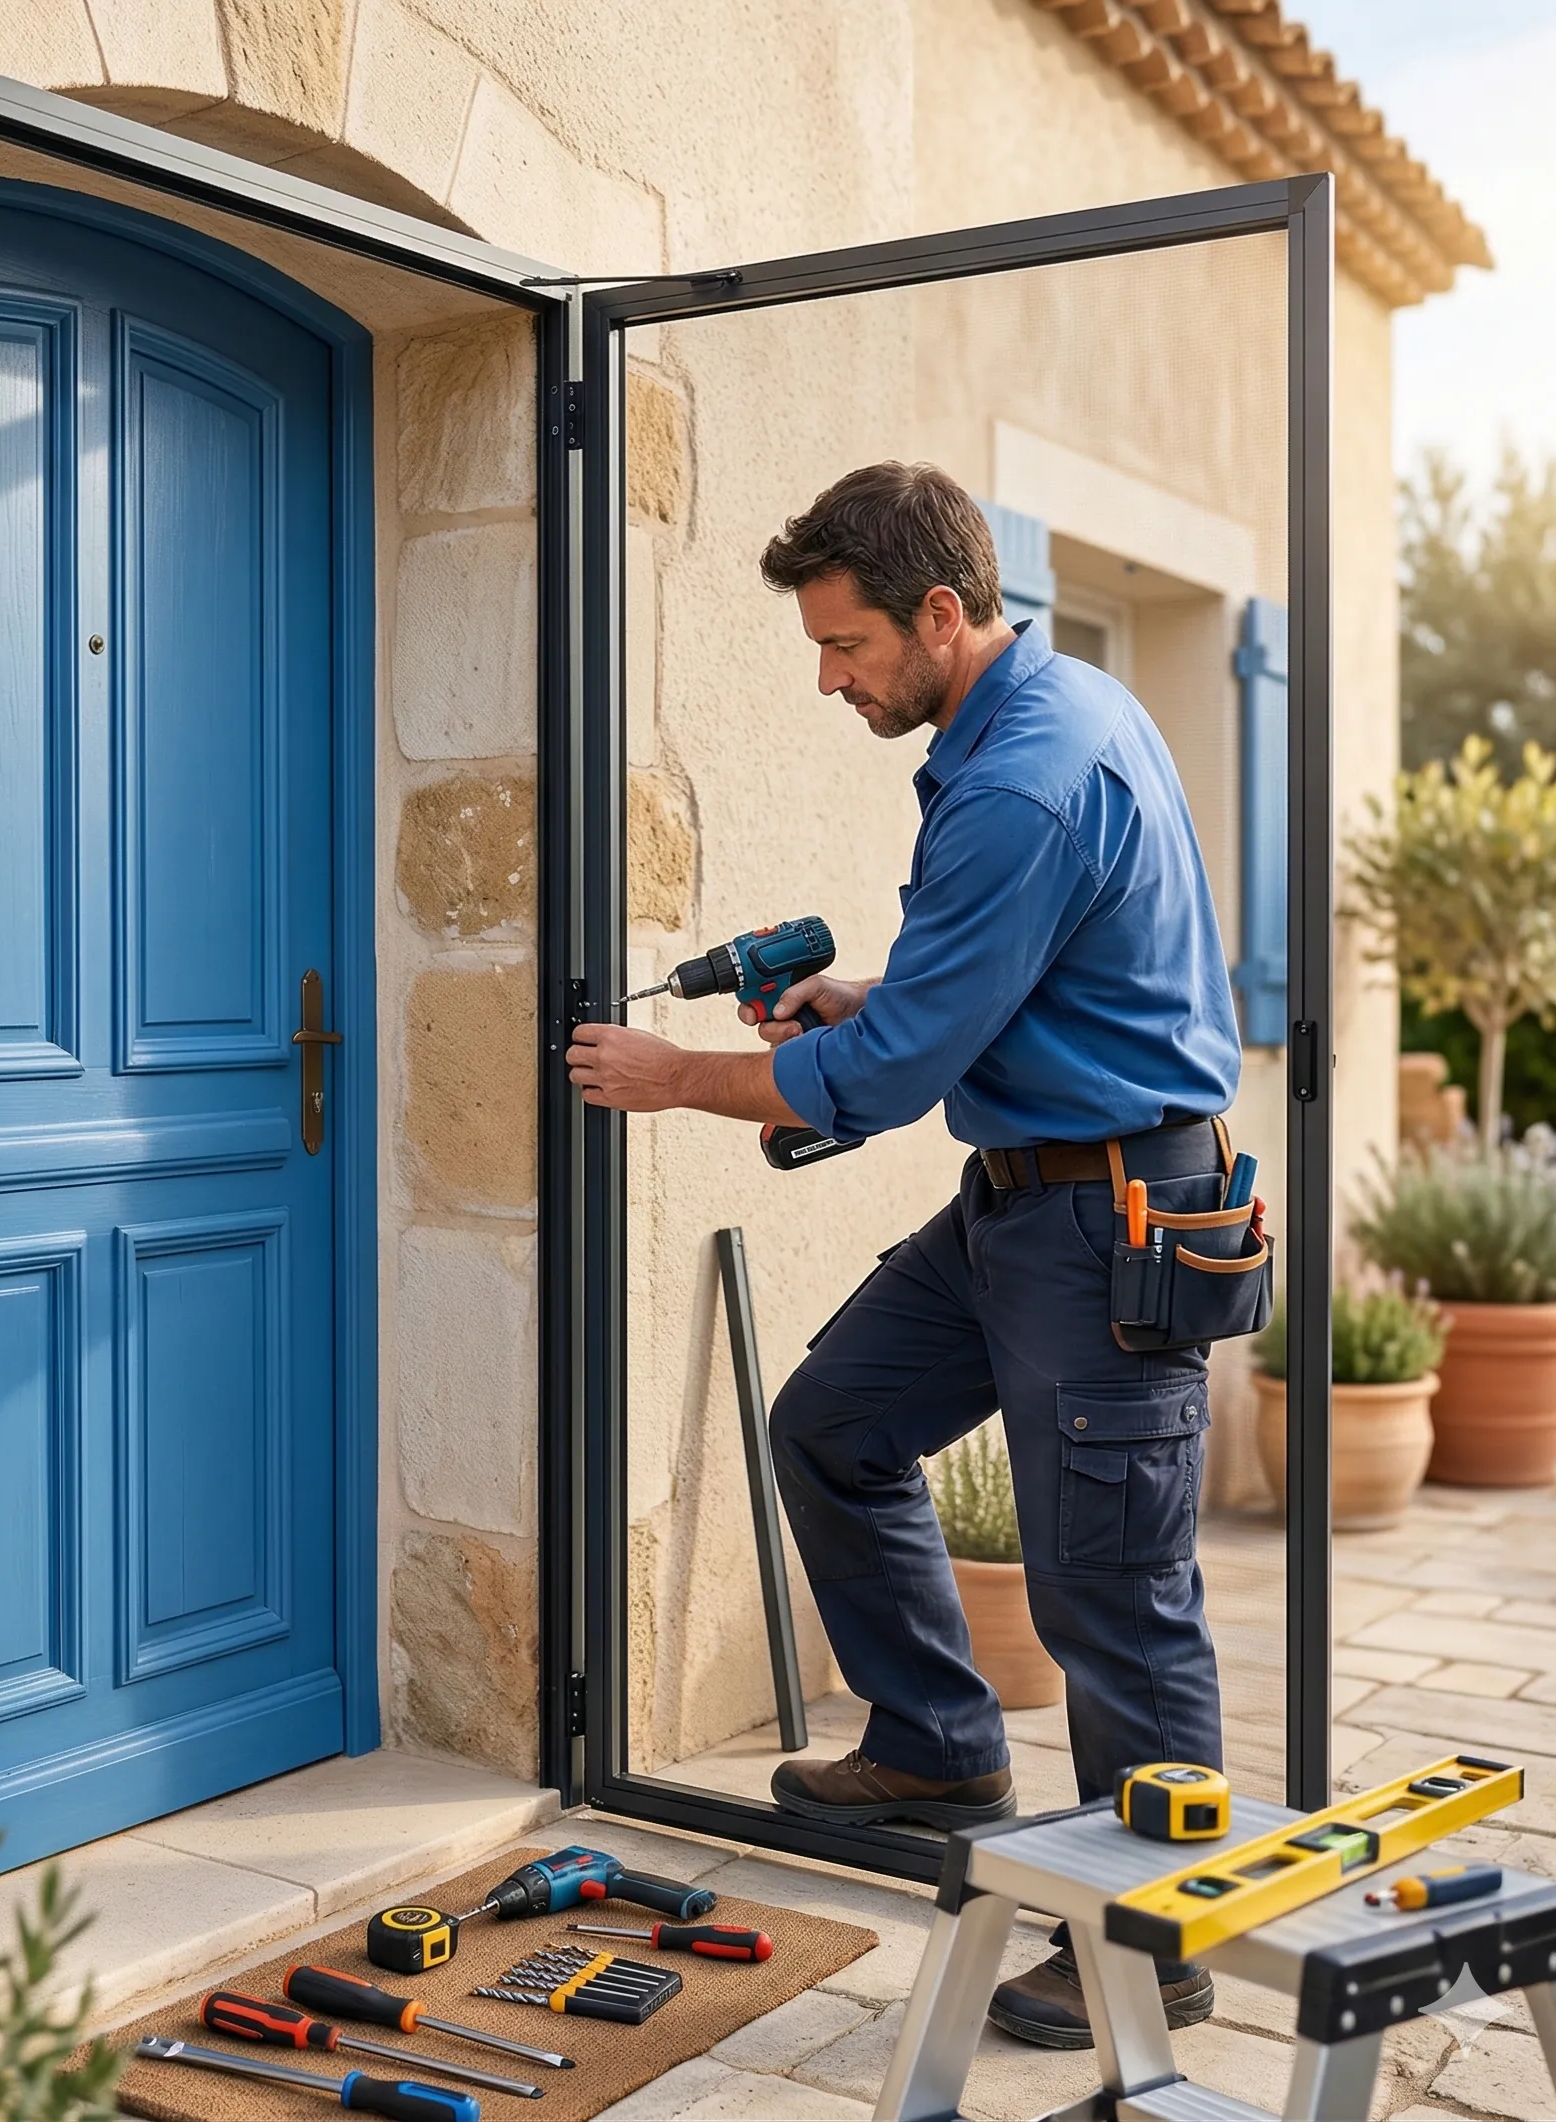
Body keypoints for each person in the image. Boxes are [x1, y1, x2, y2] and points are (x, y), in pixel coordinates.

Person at [565, 461, 1240, 2047]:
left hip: (1111, 1214)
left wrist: (674, 1079)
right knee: (832, 1424)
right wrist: (871, 994)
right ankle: (941, 1741)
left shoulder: (1023, 779)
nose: (829, 677)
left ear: (943, 612)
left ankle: (1157, 1937)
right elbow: (996, 989)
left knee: (1112, 1591)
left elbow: (879, 1087)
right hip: (1019, 1197)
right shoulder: (1030, 718)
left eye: (848, 643)